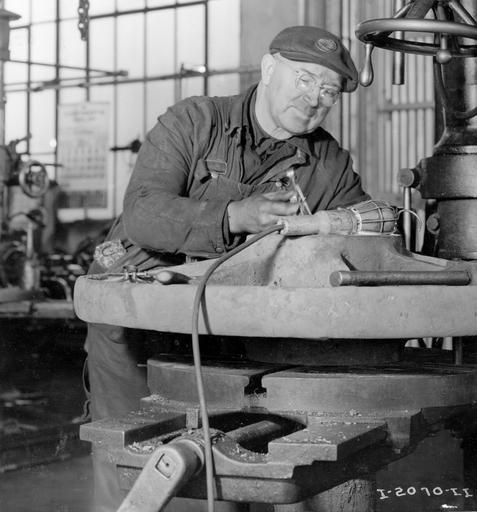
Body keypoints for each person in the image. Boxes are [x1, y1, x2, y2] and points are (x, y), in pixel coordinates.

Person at [85, 25, 369, 511]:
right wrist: (235, 216)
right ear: (268, 68)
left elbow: (358, 236)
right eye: (304, 78)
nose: (314, 98)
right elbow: (144, 213)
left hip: (226, 331)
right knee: (136, 463)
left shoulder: (329, 164)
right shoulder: (194, 121)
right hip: (137, 322)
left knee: (225, 470)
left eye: (328, 90)